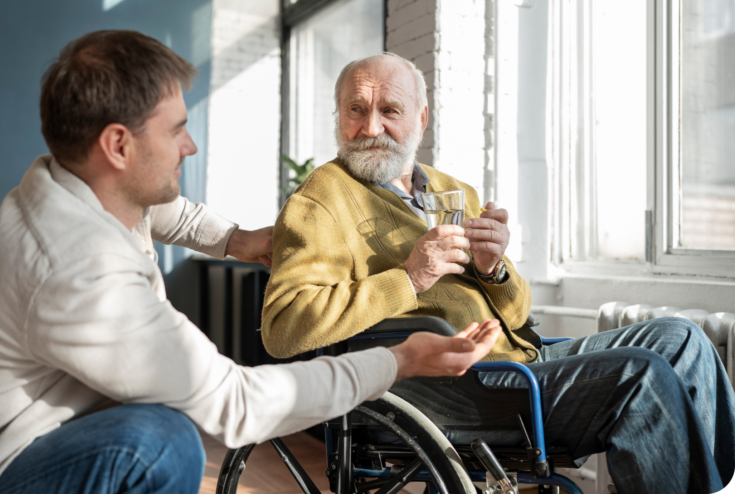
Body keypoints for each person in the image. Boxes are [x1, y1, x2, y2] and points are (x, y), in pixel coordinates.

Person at [0, 31, 505, 494]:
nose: (191, 145)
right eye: (176, 129)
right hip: (1, 468)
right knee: (162, 442)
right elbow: (236, 404)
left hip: (43, 427)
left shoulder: (74, 185)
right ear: (117, 146)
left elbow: (169, 214)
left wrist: (236, 239)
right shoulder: (78, 267)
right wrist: (400, 359)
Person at [262, 52, 735, 492]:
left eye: (390, 109)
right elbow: (283, 329)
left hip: (517, 361)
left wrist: (493, 271)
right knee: (641, 375)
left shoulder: (452, 190)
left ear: (420, 120)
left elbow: (520, 314)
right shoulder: (320, 199)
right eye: (355, 110)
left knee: (683, 338)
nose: (371, 126)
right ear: (338, 118)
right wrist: (409, 279)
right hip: (454, 389)